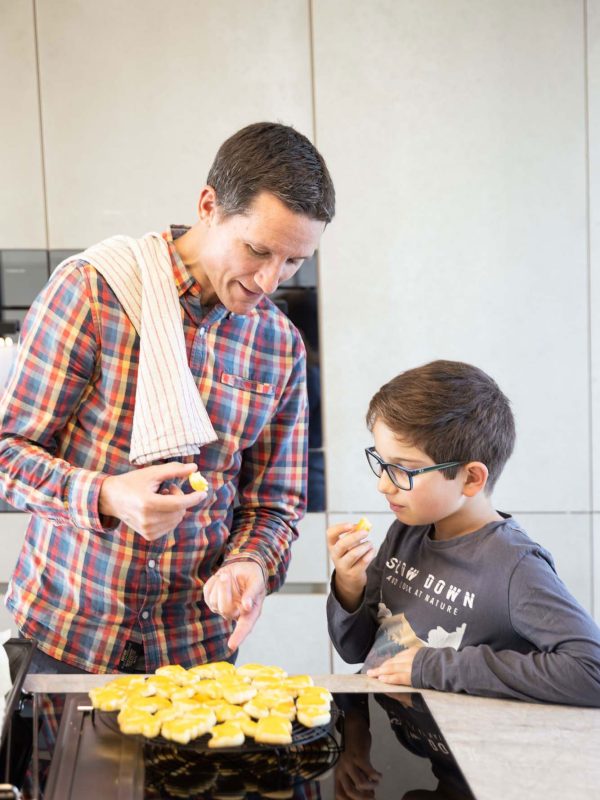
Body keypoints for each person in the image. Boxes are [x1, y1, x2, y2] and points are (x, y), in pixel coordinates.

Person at [0, 121, 335, 674]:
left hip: (195, 653)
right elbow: (8, 451)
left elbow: (274, 503)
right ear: (209, 205)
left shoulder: (280, 346)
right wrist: (106, 495)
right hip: (66, 642)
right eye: (257, 250)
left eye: (295, 261)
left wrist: (250, 563)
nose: (271, 280)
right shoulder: (94, 292)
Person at [327, 360, 600, 706]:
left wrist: (433, 666)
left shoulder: (514, 566)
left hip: (452, 753)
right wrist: (349, 587)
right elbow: (354, 650)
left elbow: (591, 671)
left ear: (471, 478)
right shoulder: (406, 532)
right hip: (384, 737)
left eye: (403, 470)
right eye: (382, 463)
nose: (383, 485)